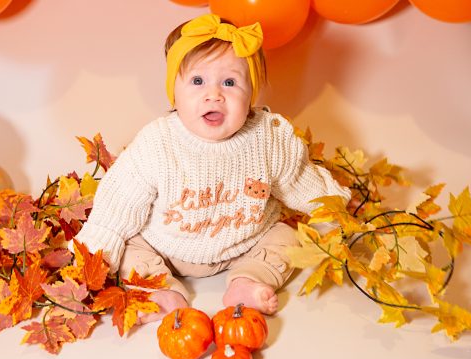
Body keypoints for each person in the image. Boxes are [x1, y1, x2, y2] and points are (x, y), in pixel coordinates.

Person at [71, 14, 350, 323]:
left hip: (245, 242)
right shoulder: (157, 142)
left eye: (230, 82)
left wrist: (337, 213)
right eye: (197, 81)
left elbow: (301, 181)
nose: (214, 94)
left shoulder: (267, 138)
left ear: (251, 93)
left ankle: (250, 279)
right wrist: (92, 257)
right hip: (165, 247)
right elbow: (119, 203)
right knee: (131, 248)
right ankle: (160, 289)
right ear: (174, 91)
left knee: (286, 236)